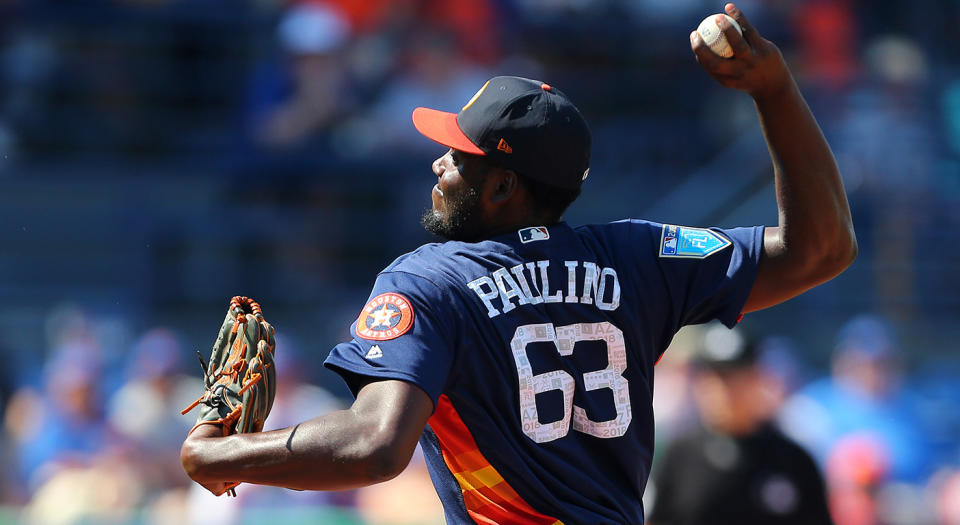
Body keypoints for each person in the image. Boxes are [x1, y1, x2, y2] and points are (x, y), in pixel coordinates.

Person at [180, 4, 857, 523]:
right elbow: (823, 248)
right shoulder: (638, 256)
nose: (439, 165)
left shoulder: (429, 279)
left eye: (457, 157)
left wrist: (215, 454)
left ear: (504, 187)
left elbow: (376, 443)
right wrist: (775, 93)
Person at [646, 324, 833, 525]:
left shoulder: (793, 460)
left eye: (736, 377)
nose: (725, 390)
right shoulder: (681, 456)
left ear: (757, 379)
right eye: (717, 377)